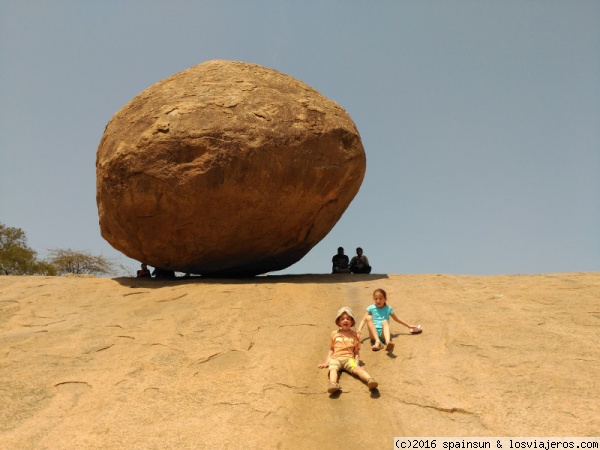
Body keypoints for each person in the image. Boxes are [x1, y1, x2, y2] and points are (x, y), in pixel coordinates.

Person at [318, 307, 379, 393]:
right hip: (336, 358)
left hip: (349, 359)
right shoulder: (334, 333)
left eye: (348, 319)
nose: (345, 320)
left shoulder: (355, 335)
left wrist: (357, 363)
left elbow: (356, 352)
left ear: (352, 322)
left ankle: (370, 380)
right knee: (333, 368)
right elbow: (331, 349)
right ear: (338, 322)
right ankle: (333, 384)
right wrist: (327, 361)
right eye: (342, 319)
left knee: (358, 369)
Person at [357, 288, 422, 352]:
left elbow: (396, 319)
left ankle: (388, 342)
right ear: (373, 298)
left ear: (385, 299)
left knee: (385, 321)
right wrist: (359, 329)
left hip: (384, 334)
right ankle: (378, 342)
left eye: (380, 298)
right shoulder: (371, 308)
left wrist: (409, 326)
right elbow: (363, 320)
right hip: (374, 334)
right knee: (368, 317)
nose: (378, 301)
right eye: (376, 299)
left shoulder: (388, 308)